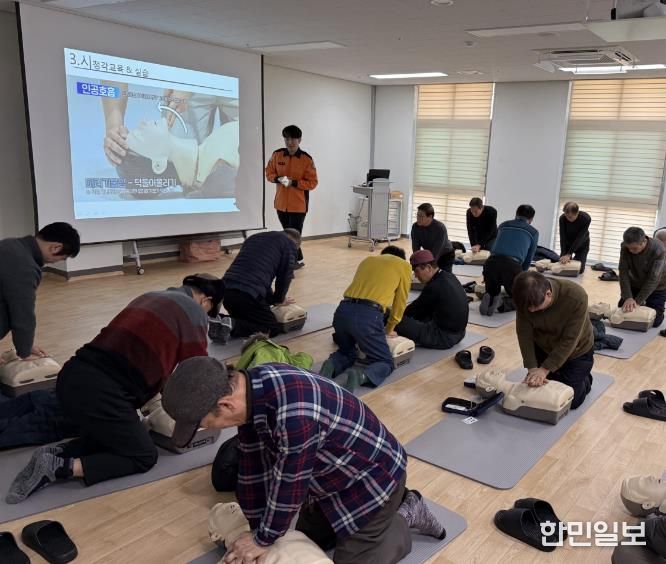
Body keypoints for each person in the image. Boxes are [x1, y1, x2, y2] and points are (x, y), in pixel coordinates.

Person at [161, 358, 447, 564]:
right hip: (328, 477)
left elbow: (290, 484)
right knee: (305, 539)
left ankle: (407, 512)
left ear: (225, 405)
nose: (208, 430)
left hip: (374, 477)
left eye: (204, 424)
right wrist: (257, 529)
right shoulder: (251, 389)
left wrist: (262, 539)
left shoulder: (294, 414)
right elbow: (252, 465)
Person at [5, 274, 224, 503]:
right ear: (206, 301)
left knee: (119, 436)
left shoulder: (151, 296)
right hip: (101, 392)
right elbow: (197, 373)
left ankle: (57, 452)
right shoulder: (195, 312)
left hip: (72, 375)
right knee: (144, 455)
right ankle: (59, 467)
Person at [320, 246, 411, 392]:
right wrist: (389, 329)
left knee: (347, 351)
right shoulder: (404, 265)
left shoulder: (368, 260)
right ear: (401, 258)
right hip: (368, 316)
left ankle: (331, 365)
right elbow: (400, 303)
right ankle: (360, 375)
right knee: (385, 361)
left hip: (342, 311)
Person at [513, 271, 594, 410]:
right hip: (544, 348)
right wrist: (532, 368)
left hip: (576, 352)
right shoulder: (526, 300)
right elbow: (524, 335)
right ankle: (557, 373)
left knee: (570, 400)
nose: (531, 311)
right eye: (528, 308)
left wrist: (544, 369)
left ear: (548, 294)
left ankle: (585, 379)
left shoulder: (576, 296)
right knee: (537, 393)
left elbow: (570, 340)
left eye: (536, 307)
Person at [0, 223, 80, 362]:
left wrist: (26, 346)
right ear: (56, 247)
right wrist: (25, 352)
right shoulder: (25, 267)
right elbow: (23, 313)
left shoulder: (10, 244)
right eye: (62, 258)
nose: (56, 262)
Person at [222, 229, 301, 338]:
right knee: (272, 328)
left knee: (247, 319)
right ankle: (232, 325)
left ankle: (223, 321)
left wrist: (272, 300)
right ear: (296, 244)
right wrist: (279, 300)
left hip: (226, 291)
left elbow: (260, 277)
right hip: (248, 295)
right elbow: (285, 276)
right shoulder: (289, 245)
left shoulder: (254, 238)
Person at [265, 125, 318, 268]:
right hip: (281, 204)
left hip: (298, 205)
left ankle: (291, 263)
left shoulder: (306, 159)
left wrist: (294, 182)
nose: (290, 142)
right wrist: (278, 179)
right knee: (288, 234)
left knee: (293, 235)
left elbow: (312, 183)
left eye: (293, 139)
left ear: (299, 140)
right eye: (287, 139)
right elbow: (269, 173)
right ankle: (298, 259)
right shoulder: (277, 155)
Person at [396, 250, 468, 349]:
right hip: (460, 333)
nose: (415, 275)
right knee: (423, 313)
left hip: (444, 337)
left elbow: (413, 310)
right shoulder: (449, 276)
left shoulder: (434, 286)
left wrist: (395, 318)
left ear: (428, 267)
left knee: (398, 321)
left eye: (416, 271)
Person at [481, 204, 539, 316]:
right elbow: (529, 257)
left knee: (493, 289)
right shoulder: (533, 232)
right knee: (521, 298)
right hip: (512, 266)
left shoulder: (503, 225)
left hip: (490, 263)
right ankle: (501, 303)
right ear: (531, 219)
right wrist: (522, 277)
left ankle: (491, 296)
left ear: (516, 215)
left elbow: (494, 246)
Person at [618, 227, 666, 328]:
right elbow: (623, 272)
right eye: (629, 248)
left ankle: (650, 307)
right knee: (622, 310)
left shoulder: (659, 250)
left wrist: (638, 301)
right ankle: (642, 305)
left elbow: (653, 279)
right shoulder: (625, 247)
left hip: (658, 286)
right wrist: (628, 297)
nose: (631, 251)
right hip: (636, 282)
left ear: (644, 241)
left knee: (655, 321)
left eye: (634, 249)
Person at [411, 203, 455, 272]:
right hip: (430, 253)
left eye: (421, 216)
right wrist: (416, 267)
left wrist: (429, 269)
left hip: (446, 255)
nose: (418, 218)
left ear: (430, 217)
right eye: (417, 215)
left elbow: (436, 252)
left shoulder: (440, 228)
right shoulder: (415, 227)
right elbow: (415, 249)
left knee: (443, 276)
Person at [558, 202, 591, 273]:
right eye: (566, 216)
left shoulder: (586, 219)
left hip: (582, 244)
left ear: (577, 213)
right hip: (568, 243)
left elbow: (580, 238)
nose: (567, 218)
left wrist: (569, 254)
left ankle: (575, 260)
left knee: (579, 270)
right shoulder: (562, 218)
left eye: (570, 217)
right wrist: (564, 254)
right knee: (561, 266)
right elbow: (562, 237)